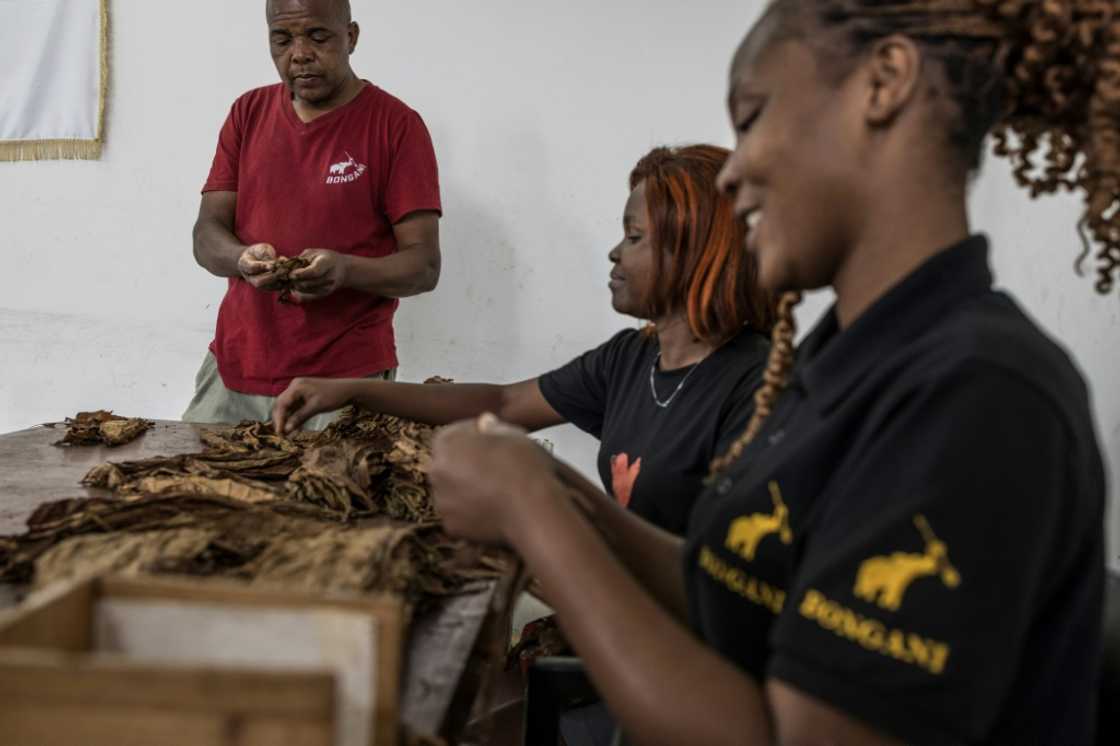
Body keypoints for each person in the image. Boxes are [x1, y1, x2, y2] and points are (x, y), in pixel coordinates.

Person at [426, 1, 1111, 744]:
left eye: (751, 119)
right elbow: (734, 597)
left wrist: (535, 514)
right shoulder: (838, 359)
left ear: (884, 84)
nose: (737, 172)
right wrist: (561, 493)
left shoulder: (977, 392)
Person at [274, 144, 777, 535]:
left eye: (634, 237)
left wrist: (549, 498)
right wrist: (350, 389)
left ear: (694, 250)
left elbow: (725, 577)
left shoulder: (758, 386)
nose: (613, 253)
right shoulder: (632, 359)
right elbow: (504, 402)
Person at [184, 0, 442, 429]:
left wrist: (344, 270)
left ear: (351, 37)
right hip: (235, 369)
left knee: (327, 495)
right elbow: (207, 233)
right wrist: (241, 260)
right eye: (282, 39)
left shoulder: (397, 126)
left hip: (344, 381)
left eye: (317, 36)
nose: (299, 53)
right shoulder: (248, 114)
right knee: (192, 493)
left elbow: (424, 266)